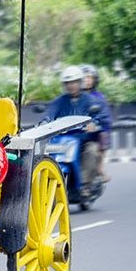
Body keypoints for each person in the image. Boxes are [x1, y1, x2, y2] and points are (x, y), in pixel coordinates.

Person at [45, 65, 102, 193]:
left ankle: (85, 184)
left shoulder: (89, 100)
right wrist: (44, 122)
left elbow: (97, 117)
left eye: (74, 82)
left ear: (80, 82)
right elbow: (49, 114)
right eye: (68, 83)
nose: (71, 85)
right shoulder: (59, 101)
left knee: (91, 150)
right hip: (62, 139)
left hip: (82, 140)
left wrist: (93, 124)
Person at [81, 64, 112, 181]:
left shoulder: (99, 97)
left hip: (92, 132)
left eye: (90, 78)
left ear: (94, 80)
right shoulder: (73, 97)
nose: (87, 80)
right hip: (75, 131)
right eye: (85, 77)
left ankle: (99, 168)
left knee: (103, 135)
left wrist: (95, 123)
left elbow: (104, 116)